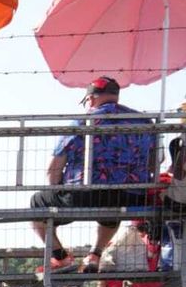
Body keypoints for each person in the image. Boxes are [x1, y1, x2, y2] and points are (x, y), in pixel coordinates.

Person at [29, 76, 155, 275]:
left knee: (37, 201)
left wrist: (58, 189)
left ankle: (60, 257)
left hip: (83, 194)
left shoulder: (83, 121)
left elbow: (53, 169)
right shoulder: (144, 121)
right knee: (112, 205)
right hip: (132, 194)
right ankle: (95, 255)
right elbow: (153, 161)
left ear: (91, 99)